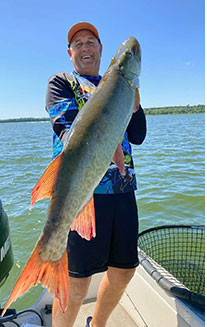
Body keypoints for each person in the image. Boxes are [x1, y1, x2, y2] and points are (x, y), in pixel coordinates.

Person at [45, 22, 146, 327]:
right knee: (77, 283)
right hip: (81, 193)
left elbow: (138, 135)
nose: (85, 48)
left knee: (124, 271)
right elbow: (65, 129)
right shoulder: (61, 82)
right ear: (70, 53)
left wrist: (135, 106)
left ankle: (97, 324)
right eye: (78, 44)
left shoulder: (119, 87)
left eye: (91, 42)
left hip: (122, 190)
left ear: (101, 49)